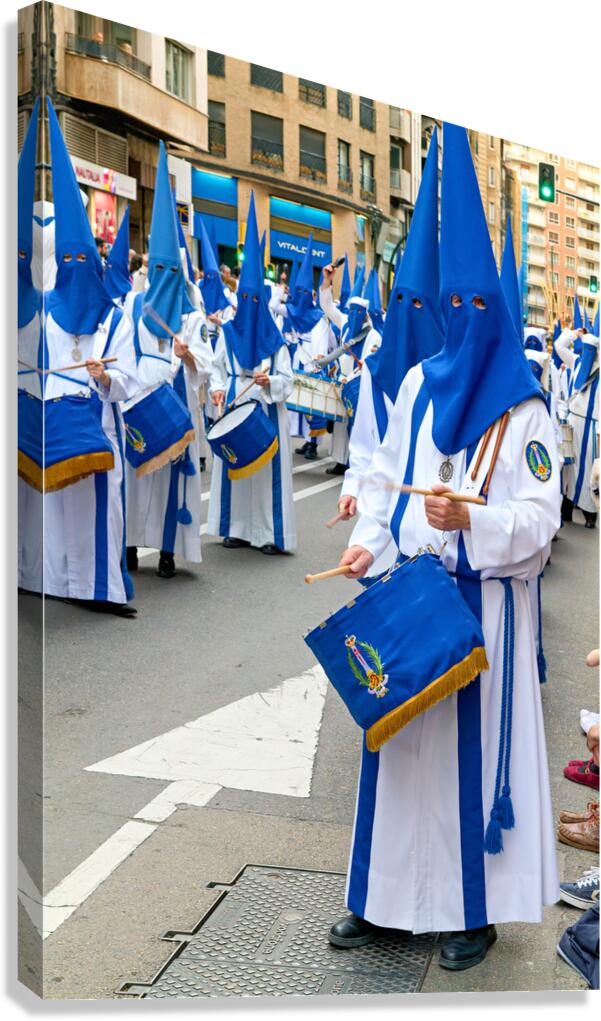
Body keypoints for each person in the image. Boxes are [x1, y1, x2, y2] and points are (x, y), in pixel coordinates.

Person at [328, 123, 560, 971]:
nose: (454, 323)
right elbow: (385, 484)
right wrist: (367, 541)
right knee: (398, 747)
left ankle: (474, 908)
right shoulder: (419, 384)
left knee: (465, 765)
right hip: (414, 595)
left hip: (486, 612)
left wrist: (477, 525)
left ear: (490, 308)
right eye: (445, 308)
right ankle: (385, 900)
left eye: (470, 306)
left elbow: (541, 520)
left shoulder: (523, 408)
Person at [20, 98, 139, 616]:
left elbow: (128, 371)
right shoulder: (34, 311)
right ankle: (35, 577)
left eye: (77, 259)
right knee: (39, 512)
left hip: (94, 426)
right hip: (43, 425)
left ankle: (97, 589)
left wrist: (106, 376)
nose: (68, 267)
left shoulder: (113, 314)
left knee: (95, 513)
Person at [337, 128, 443, 548]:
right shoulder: (374, 373)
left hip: (436, 532)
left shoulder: (446, 378)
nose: (408, 313)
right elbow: (364, 449)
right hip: (379, 531)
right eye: (400, 301)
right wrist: (351, 487)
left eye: (418, 304)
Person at [123, 141, 213, 578]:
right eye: (156, 272)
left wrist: (189, 355)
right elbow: (122, 353)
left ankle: (167, 551)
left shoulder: (193, 318)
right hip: (140, 407)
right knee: (137, 481)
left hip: (176, 412)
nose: (163, 280)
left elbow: (207, 364)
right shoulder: (133, 309)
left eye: (170, 273)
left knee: (172, 486)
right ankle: (128, 546)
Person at [207, 193, 296, 554]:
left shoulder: (275, 342)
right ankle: (237, 528)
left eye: (254, 300)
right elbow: (216, 370)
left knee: (265, 478)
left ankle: (269, 534)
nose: (249, 306)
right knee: (237, 473)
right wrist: (216, 390)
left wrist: (270, 381)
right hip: (234, 406)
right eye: (243, 299)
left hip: (267, 410)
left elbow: (288, 382)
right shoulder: (227, 334)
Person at [269, 236, 334, 461]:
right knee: (297, 403)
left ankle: (313, 443)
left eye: (306, 293)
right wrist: (280, 290)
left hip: (310, 362)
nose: (302, 298)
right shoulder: (294, 310)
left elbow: (321, 343)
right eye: (299, 293)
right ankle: (304, 440)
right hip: (296, 360)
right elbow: (273, 306)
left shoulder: (319, 318)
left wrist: (316, 362)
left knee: (312, 406)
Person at [319, 264, 382, 475]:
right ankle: (340, 459)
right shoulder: (345, 323)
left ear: (364, 315)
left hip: (357, 384)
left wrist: (351, 379)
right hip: (342, 381)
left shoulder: (372, 336)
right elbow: (328, 307)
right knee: (339, 425)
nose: (353, 315)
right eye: (351, 311)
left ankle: (355, 462)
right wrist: (327, 282)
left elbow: (368, 363)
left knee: (358, 424)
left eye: (358, 313)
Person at [554, 323, 599, 528]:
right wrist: (575, 334)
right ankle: (566, 510)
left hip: (590, 426)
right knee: (568, 466)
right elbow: (559, 346)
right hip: (572, 421)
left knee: (588, 468)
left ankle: (591, 514)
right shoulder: (577, 361)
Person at [104, 207, 133, 308]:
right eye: (109, 266)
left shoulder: (131, 297)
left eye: (113, 266)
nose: (109, 269)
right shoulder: (101, 294)